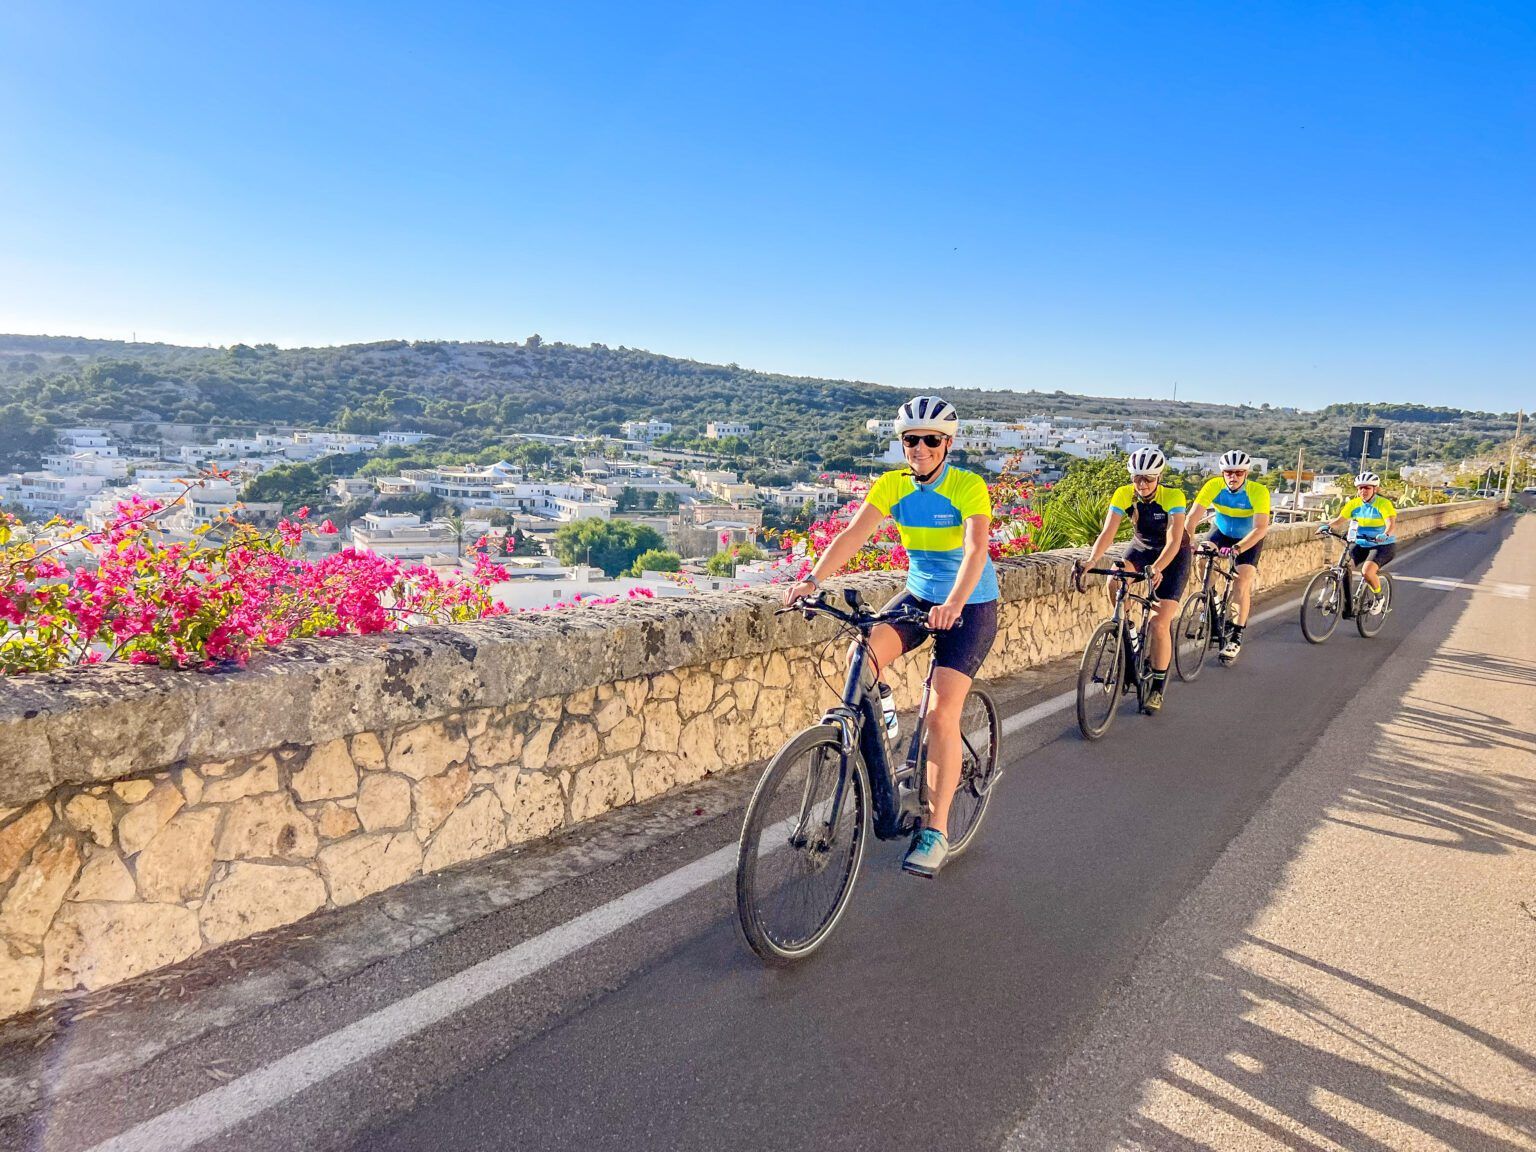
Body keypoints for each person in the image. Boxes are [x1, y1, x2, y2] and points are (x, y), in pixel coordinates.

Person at [782, 396, 998, 878]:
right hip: (920, 596)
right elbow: (852, 536)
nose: (919, 448)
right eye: (910, 440)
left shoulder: (967, 486)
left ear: (948, 443)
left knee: (942, 713)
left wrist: (956, 604)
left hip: (969, 604)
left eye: (930, 440)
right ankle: (886, 723)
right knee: (860, 656)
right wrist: (812, 580)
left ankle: (936, 830)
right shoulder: (892, 485)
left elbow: (976, 547)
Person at [1077, 447, 1189, 713]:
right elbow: (1108, 532)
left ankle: (1158, 689)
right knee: (1115, 579)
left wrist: (1159, 567)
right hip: (1141, 547)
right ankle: (1124, 629)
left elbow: (1174, 539)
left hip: (1173, 555)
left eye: (1148, 479)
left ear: (1159, 477)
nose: (1141, 484)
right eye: (1137, 477)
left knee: (1159, 623)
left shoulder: (1173, 496)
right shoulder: (1124, 494)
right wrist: (1092, 561)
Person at [1186, 450, 1271, 661]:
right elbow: (1192, 518)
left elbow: (1260, 528)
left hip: (1248, 539)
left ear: (1246, 474)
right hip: (1221, 531)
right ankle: (1211, 598)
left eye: (1239, 473)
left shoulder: (1258, 491)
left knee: (1240, 583)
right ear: (1222, 473)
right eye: (1228, 472)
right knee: (1202, 558)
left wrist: (1239, 548)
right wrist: (1189, 539)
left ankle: (1236, 637)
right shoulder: (1213, 486)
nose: (1233, 477)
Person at [1324, 472, 1396, 614]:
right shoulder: (1354, 504)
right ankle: (1347, 605)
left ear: (1375, 489)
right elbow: (1340, 520)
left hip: (1381, 545)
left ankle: (1379, 597)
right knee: (1343, 567)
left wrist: (1385, 534)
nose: (1363, 491)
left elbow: (1390, 524)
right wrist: (1327, 526)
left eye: (1367, 488)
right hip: (1361, 542)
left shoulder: (1383, 504)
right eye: (1360, 488)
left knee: (1367, 572)